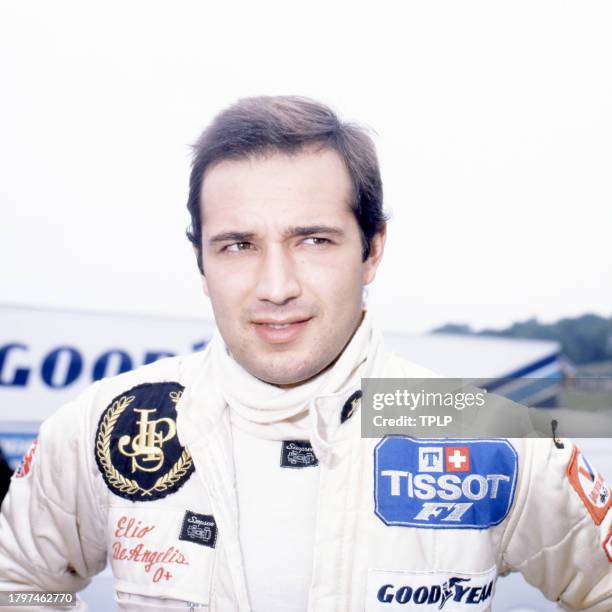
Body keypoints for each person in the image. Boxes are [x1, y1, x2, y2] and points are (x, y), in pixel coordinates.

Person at [0, 96, 610, 611]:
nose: (276, 286)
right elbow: (18, 583)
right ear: (201, 262)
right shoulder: (106, 424)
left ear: (372, 249)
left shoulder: (486, 435)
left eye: (313, 240)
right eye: (238, 245)